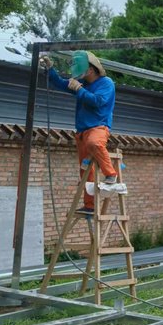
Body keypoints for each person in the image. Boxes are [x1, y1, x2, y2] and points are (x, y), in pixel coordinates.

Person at [40, 51, 117, 216]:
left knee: (95, 144)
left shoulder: (106, 83)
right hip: (82, 131)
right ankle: (90, 206)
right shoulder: (82, 84)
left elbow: (98, 102)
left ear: (90, 69)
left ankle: (111, 174)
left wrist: (79, 89)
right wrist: (50, 68)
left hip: (98, 127)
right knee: (85, 171)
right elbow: (60, 83)